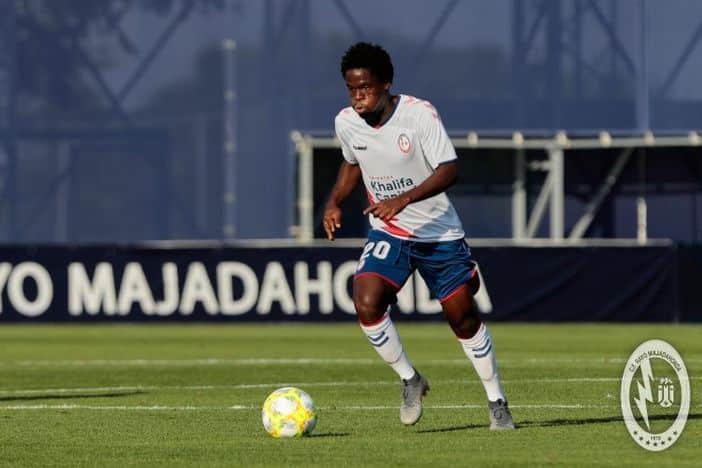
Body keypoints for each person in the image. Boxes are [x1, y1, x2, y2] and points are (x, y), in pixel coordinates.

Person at [322, 42, 514, 430]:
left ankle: (497, 402)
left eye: (366, 88)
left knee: (461, 318)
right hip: (389, 231)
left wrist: (402, 199)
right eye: (351, 88)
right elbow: (351, 162)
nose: (358, 96)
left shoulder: (419, 115)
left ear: (387, 84)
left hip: (438, 232)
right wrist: (334, 202)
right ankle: (411, 380)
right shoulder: (346, 122)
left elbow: (449, 169)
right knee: (366, 301)